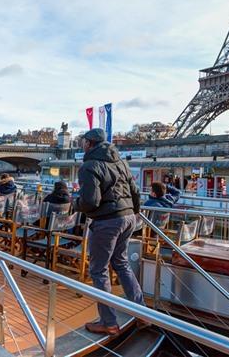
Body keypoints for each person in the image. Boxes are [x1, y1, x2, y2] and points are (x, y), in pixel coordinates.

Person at [74, 128, 144, 335]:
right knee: (121, 263)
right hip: (129, 217)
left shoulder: (89, 166)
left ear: (89, 143)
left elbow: (90, 201)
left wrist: (75, 203)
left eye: (83, 141)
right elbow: (135, 192)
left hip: (107, 222)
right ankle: (143, 314)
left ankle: (109, 322)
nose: (82, 144)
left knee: (98, 270)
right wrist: (132, 213)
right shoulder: (121, 162)